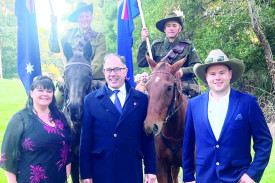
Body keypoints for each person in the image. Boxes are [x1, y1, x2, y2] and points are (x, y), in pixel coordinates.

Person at [182, 49, 273, 183]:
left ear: (230, 74)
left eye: (222, 73)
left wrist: (252, 174)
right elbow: (188, 144)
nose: (217, 77)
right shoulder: (194, 105)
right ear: (206, 77)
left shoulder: (247, 103)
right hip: (205, 178)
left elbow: (264, 141)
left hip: (238, 177)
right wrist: (188, 177)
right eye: (212, 74)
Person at [79, 53, 157, 183]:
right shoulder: (91, 100)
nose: (112, 74)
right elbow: (85, 141)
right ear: (104, 72)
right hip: (102, 169)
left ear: (125, 71)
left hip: (131, 168)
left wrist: (150, 169)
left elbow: (147, 138)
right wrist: (86, 173)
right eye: (109, 70)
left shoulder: (141, 99)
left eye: (117, 69)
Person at [0, 76, 71, 183]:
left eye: (49, 91)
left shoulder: (60, 117)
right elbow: (8, 157)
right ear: (31, 93)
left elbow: (67, 148)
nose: (45, 94)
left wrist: (66, 174)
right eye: (40, 90)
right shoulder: (20, 119)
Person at [137, 10, 202, 97]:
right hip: (161, 89)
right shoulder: (156, 46)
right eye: (168, 26)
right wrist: (143, 41)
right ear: (164, 29)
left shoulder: (187, 46)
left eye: (174, 26)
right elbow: (141, 62)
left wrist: (183, 71)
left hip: (184, 89)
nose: (171, 28)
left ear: (180, 29)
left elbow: (197, 67)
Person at [49, 2, 106, 81]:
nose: (84, 19)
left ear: (91, 18)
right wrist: (53, 27)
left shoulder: (99, 37)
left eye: (87, 16)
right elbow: (54, 48)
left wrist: (82, 76)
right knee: (57, 93)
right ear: (77, 19)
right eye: (81, 16)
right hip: (71, 79)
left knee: (109, 92)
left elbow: (98, 61)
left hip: (93, 79)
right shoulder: (69, 34)